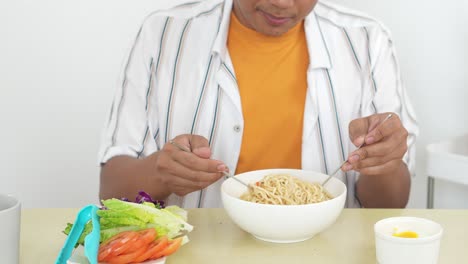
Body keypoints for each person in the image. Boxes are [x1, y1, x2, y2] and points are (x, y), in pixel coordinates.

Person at [98, 0, 418, 208]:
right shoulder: (163, 34)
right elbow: (111, 189)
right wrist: (161, 172)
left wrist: (383, 162)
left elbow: (391, 204)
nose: (281, 3)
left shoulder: (367, 40)